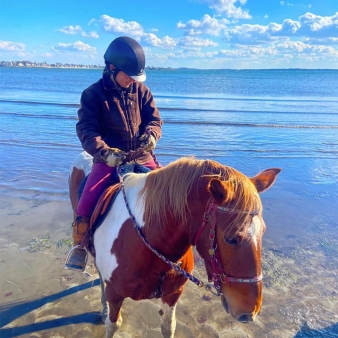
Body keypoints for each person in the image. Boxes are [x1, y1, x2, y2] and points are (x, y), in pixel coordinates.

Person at [65, 36, 163, 271]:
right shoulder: (92, 95)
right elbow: (86, 130)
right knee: (87, 199)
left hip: (140, 156)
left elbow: (154, 119)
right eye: (128, 75)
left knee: (168, 191)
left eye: (134, 76)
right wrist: (104, 151)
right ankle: (79, 246)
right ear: (111, 68)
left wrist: (151, 135)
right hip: (109, 161)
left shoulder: (141, 91)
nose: (131, 80)